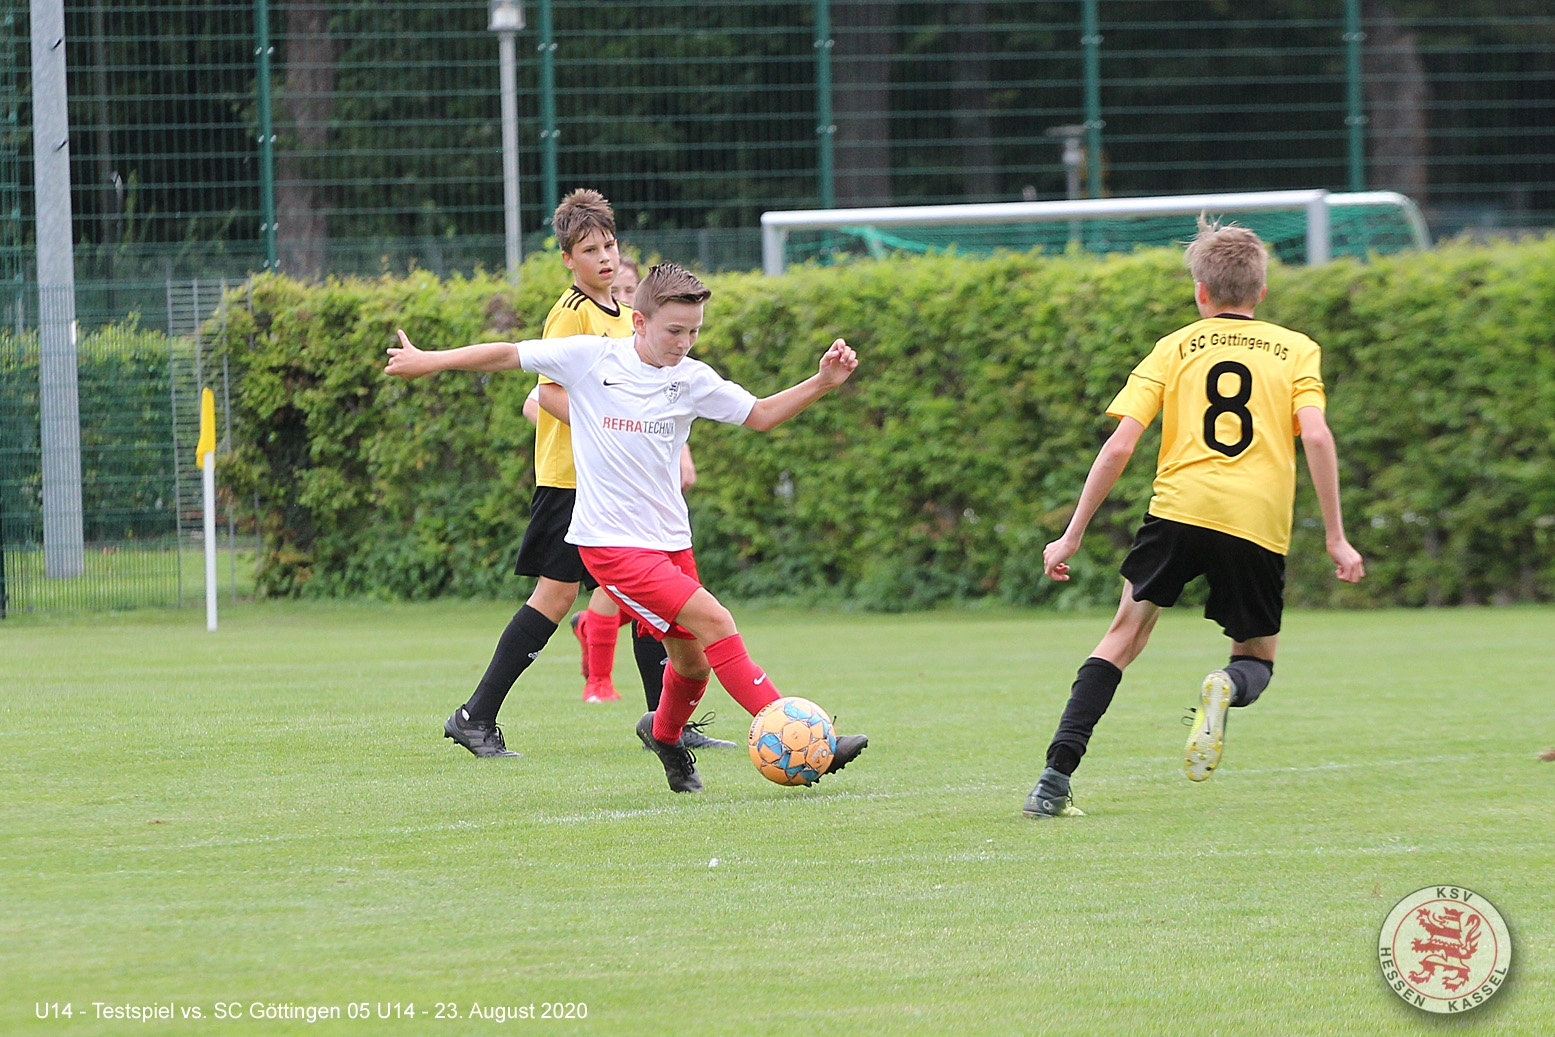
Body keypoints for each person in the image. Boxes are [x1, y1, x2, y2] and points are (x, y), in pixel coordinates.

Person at [386, 262, 869, 792]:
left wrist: (823, 382)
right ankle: (804, 739)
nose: (685, 342)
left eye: (694, 331)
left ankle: (664, 736)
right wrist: (428, 360)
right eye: (674, 330)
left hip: (671, 543)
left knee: (692, 664)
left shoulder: (692, 378)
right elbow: (506, 353)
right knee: (715, 620)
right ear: (639, 321)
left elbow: (760, 415)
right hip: (610, 545)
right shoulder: (591, 358)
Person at [1023, 217, 1365, 818]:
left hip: (1178, 509)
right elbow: (1315, 436)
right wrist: (1336, 537)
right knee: (1255, 658)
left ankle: (1053, 781)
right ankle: (1226, 686)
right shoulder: (1296, 349)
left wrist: (1071, 534)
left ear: (1201, 292)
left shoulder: (1174, 346)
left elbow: (1121, 446)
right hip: (1255, 522)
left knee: (1121, 639)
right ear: (1261, 291)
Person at [434, 188, 629, 757]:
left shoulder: (622, 314)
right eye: (589, 250)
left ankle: (669, 723)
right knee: (556, 596)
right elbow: (547, 394)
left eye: (609, 245)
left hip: (611, 479)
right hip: (573, 480)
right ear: (568, 259)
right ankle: (475, 715)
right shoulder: (571, 313)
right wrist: (613, 427)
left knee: (648, 591)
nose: (604, 258)